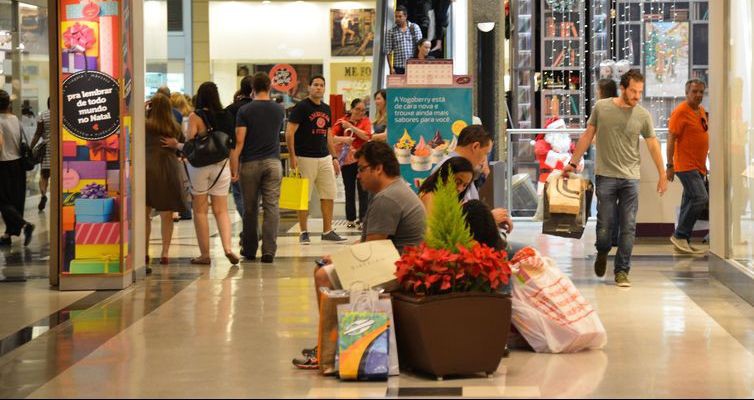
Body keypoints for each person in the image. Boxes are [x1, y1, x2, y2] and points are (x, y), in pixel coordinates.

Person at [294, 141, 426, 369]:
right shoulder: (396, 190)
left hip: (398, 270)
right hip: (400, 263)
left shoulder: (387, 199)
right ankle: (329, 343)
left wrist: (340, 259)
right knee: (326, 268)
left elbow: (371, 251)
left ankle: (329, 348)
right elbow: (371, 240)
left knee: (323, 276)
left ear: (379, 169)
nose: (358, 175)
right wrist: (340, 256)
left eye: (362, 169)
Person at [564, 70, 668, 288]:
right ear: (623, 88)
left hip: (631, 178)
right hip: (606, 176)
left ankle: (622, 271)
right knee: (605, 225)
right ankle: (602, 251)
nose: (637, 96)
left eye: (640, 92)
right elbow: (587, 135)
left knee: (629, 226)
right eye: (633, 91)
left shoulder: (642, 115)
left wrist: (662, 173)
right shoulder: (602, 108)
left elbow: (652, 145)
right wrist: (572, 163)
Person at [162, 82, 240, 265]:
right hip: (222, 166)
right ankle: (228, 248)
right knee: (221, 210)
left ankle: (205, 255)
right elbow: (232, 145)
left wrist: (176, 145)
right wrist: (234, 168)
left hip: (199, 167)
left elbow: (190, 144)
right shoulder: (227, 115)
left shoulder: (196, 116)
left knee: (200, 211)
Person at [286, 75, 348, 244]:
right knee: (302, 197)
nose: (319, 88)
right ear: (309, 87)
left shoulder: (327, 109)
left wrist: (334, 157)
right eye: (315, 85)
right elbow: (289, 132)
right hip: (304, 157)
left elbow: (328, 134)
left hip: (324, 157)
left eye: (322, 85)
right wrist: (292, 156)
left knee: (329, 194)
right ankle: (303, 231)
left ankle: (327, 231)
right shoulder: (301, 107)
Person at [231, 73, 285, 263]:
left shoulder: (245, 111)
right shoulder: (279, 110)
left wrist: (234, 167)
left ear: (252, 88)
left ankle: (250, 249)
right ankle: (269, 250)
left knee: (250, 208)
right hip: (273, 163)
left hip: (250, 164)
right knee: (272, 207)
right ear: (269, 86)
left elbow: (239, 142)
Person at [434, 125, 514, 232]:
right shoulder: (447, 168)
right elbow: (447, 216)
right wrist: (489, 219)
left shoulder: (463, 169)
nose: (484, 160)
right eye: (486, 154)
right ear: (475, 147)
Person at [145, 94, 188, 266]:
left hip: (147, 168)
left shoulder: (144, 125)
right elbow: (182, 148)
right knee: (167, 215)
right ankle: (165, 252)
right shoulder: (174, 126)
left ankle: (144, 251)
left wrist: (142, 110)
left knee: (145, 214)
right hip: (169, 169)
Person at [667, 79, 709, 254]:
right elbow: (671, 138)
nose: (698, 95)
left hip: (698, 166)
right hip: (685, 165)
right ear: (687, 93)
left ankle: (683, 240)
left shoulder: (700, 111)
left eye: (701, 92)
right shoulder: (680, 112)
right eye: (694, 92)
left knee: (689, 201)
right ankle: (680, 235)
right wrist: (669, 165)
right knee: (700, 198)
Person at [0, 90, 34, 246]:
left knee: (3, 201)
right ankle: (8, 234)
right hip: (18, 165)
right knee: (16, 200)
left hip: (3, 164)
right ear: (8, 104)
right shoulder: (15, 119)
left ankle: (24, 224)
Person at [332, 98, 372, 228]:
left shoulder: (365, 121)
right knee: (348, 189)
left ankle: (363, 219)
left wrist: (351, 127)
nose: (360, 112)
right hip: (347, 161)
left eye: (363, 110)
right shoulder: (341, 121)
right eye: (357, 109)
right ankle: (350, 219)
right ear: (351, 109)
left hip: (363, 160)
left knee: (363, 190)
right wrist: (344, 138)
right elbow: (330, 138)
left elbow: (366, 136)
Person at [226, 75, 255, 221]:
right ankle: (252, 224)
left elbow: (228, 135)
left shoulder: (231, 109)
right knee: (254, 195)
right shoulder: (260, 108)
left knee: (238, 193)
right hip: (256, 155)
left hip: (236, 155)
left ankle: (249, 224)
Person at [385, 5, 423, 75]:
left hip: (413, 66)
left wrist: (420, 63)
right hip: (398, 68)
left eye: (400, 16)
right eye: (396, 16)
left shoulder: (414, 28)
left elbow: (421, 47)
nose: (397, 18)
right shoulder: (391, 32)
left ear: (405, 16)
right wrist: (391, 68)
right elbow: (388, 52)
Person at [31, 98, 51, 211]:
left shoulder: (42, 115)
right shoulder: (61, 114)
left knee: (44, 175)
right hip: (59, 148)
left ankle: (43, 195)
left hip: (47, 147)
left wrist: (30, 147)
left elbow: (38, 133)